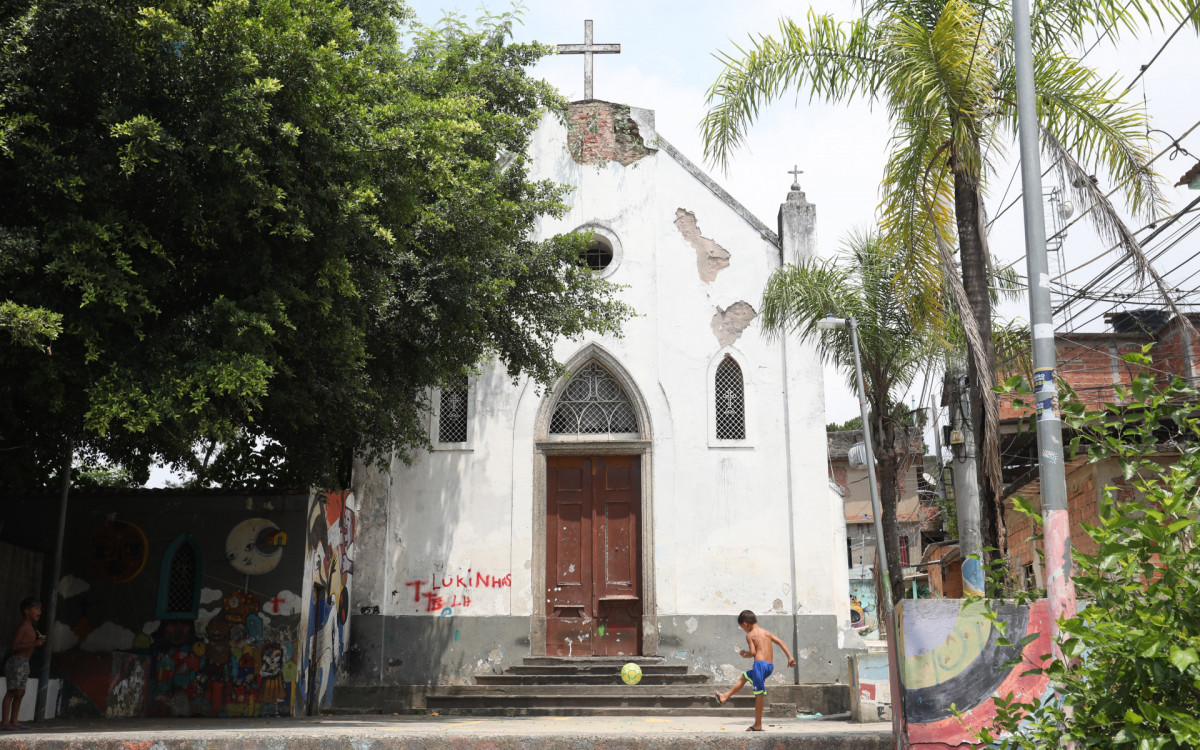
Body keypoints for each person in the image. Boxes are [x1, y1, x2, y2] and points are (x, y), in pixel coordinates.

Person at [714, 609, 795, 731]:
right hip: (769, 667)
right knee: (744, 676)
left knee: (759, 695)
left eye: (742, 627)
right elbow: (780, 642)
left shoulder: (750, 635)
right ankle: (725, 696)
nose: (744, 630)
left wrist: (745, 654)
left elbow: (753, 652)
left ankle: (758, 724)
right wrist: (790, 657)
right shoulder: (766, 632)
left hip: (759, 666)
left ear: (746, 624)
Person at [2, 598, 45, 731]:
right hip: (16, 661)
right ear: (27, 611)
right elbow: (15, 646)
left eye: (40, 609)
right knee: (12, 692)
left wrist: (27, 665)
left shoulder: (32, 628)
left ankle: (14, 720)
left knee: (21, 692)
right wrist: (35, 643)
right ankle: (5, 722)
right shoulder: (23, 627)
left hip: (24, 662)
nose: (39, 612)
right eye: (36, 609)